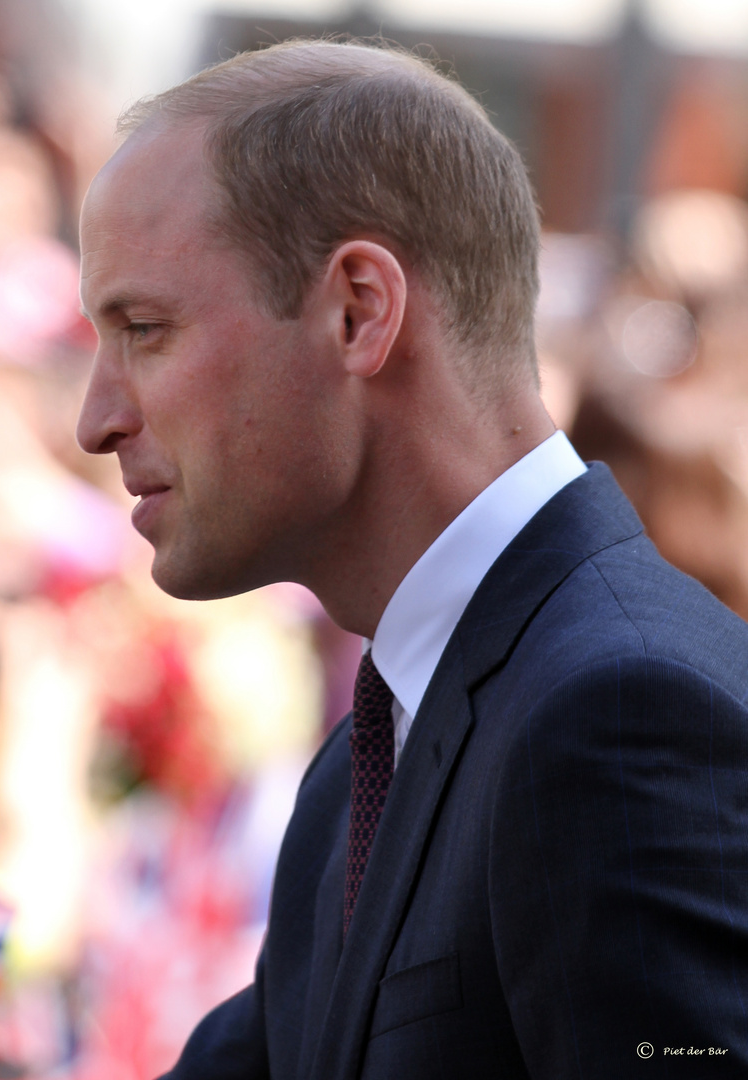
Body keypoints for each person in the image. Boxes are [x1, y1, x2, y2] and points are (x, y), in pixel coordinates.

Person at [75, 39, 748, 1079]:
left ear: (359, 309)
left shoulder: (614, 713)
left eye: (145, 328)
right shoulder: (376, 748)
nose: (97, 419)